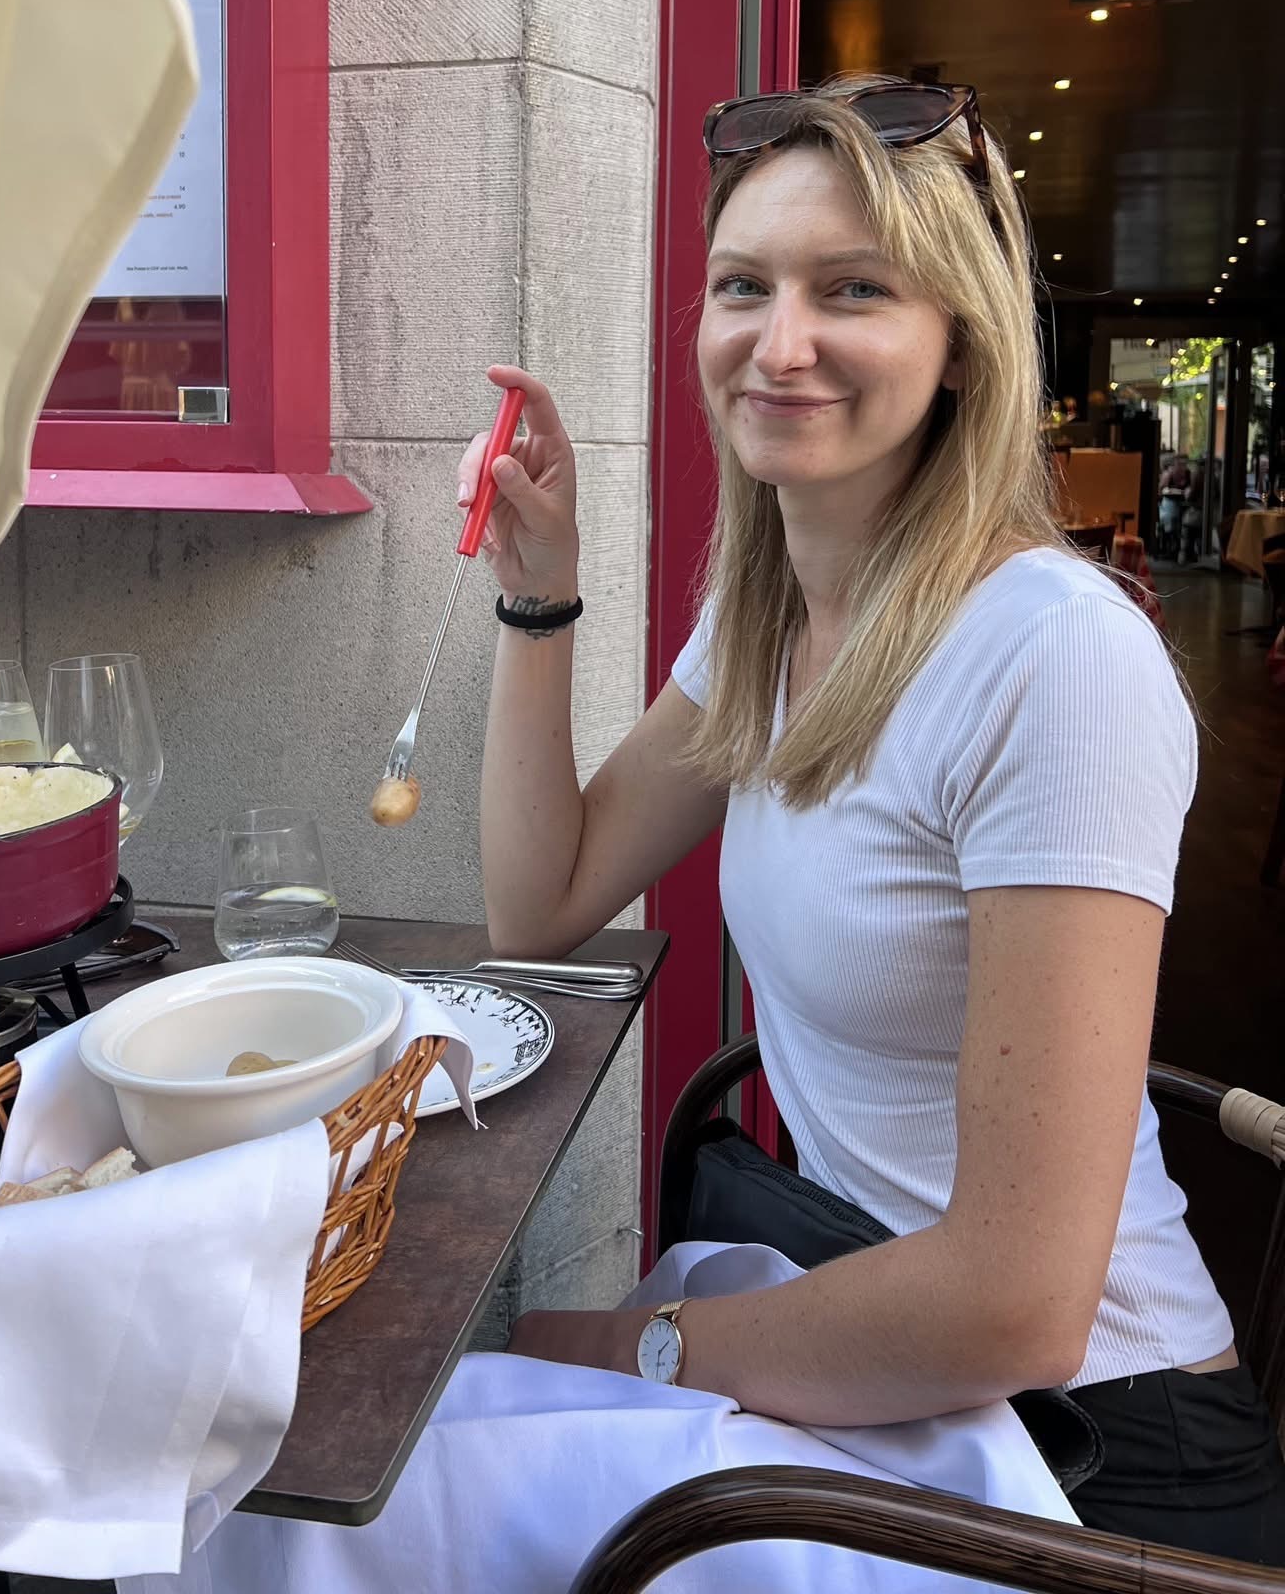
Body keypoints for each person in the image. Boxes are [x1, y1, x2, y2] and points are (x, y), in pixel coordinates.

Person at [461, 77, 1285, 1563]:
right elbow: (545, 904)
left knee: (431, 1470)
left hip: (1088, 1454)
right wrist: (540, 595)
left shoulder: (1052, 657)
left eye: (853, 290)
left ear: (959, 341)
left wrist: (643, 1349)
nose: (780, 343)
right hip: (871, 1336)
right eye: (743, 286)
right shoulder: (769, 622)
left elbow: (1019, 1305)